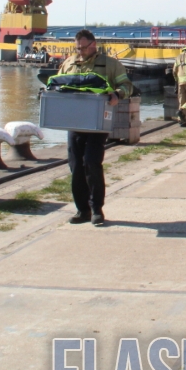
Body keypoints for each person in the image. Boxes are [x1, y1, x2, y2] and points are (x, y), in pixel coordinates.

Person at [54, 29, 132, 226]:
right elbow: (56, 85)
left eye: (83, 48)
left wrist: (117, 94)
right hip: (74, 122)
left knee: (91, 162)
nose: (80, 51)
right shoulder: (69, 63)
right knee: (76, 166)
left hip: (98, 123)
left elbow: (127, 86)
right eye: (77, 48)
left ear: (93, 45)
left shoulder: (110, 64)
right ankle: (82, 210)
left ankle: (97, 209)